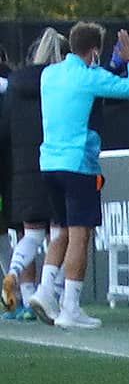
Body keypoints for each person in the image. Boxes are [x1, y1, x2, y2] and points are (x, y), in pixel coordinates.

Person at [27, 22, 129, 330]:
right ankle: (70, 307)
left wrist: (111, 66)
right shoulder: (90, 77)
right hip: (78, 164)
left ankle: (45, 291)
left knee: (62, 231)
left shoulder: (50, 74)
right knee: (81, 234)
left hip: (48, 163)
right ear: (94, 51)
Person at [1, 29, 64, 319]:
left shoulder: (14, 86)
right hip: (56, 164)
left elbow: (5, 130)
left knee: (31, 232)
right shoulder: (62, 83)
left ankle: (19, 286)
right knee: (62, 232)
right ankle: (53, 292)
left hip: (21, 170)